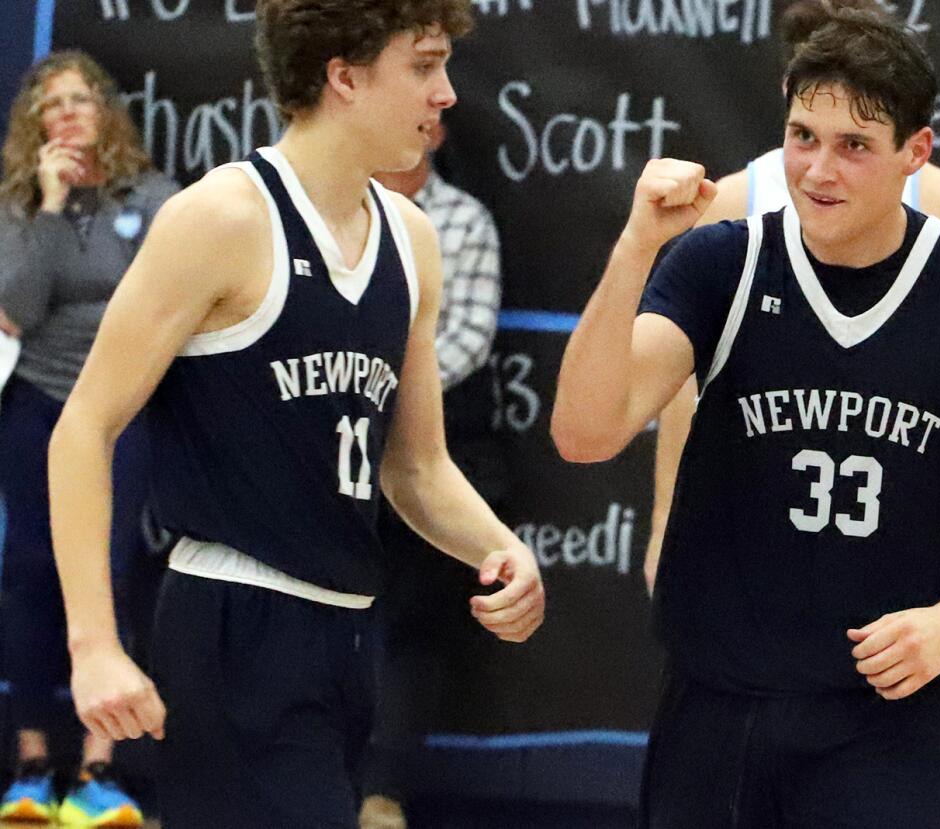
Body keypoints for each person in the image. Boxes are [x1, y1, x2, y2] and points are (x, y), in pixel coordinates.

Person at [552, 6, 940, 827]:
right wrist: (635, 249)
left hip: (889, 716)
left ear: (916, 152)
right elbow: (584, 434)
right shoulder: (721, 261)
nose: (818, 169)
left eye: (854, 146)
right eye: (803, 135)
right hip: (718, 699)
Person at [46, 2, 544, 827]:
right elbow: (83, 427)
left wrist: (496, 546)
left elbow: (414, 465)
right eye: (423, 66)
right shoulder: (221, 218)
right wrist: (94, 644)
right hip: (233, 617)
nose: (448, 93)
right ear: (343, 76)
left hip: (349, 633)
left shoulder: (413, 240)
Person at [644, 0, 940, 594]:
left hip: (885, 519)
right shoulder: (733, 202)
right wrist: (666, 519)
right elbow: (682, 388)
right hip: (754, 516)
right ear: (791, 87)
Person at [0, 50, 177, 827]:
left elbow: (168, 308)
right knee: (30, 576)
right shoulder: (16, 205)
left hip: (121, 414)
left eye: (80, 99)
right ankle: (32, 765)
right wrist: (47, 205)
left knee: (110, 574)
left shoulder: (153, 198)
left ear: (108, 111)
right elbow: (15, 311)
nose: (67, 112)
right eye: (51, 103)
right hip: (35, 409)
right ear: (33, 125)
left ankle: (98, 770)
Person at [360, 121, 505, 829]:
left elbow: (468, 340)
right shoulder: (339, 212)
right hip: (338, 448)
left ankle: (382, 791)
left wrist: (378, 388)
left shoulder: (463, 220)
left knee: (414, 628)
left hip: (430, 444)